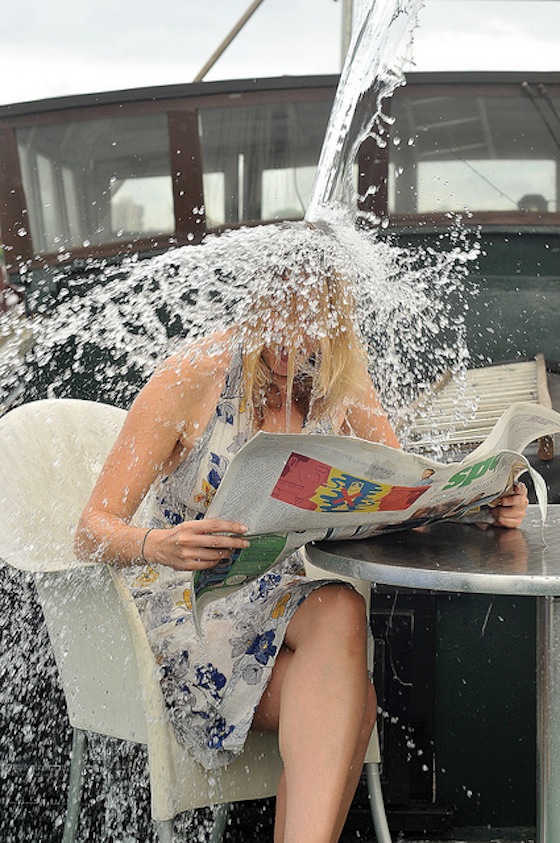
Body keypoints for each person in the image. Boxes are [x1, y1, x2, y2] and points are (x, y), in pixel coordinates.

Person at [75, 224, 528, 843]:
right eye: (278, 321)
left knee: (340, 612)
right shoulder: (193, 376)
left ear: (332, 323)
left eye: (309, 325)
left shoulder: (340, 382)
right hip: (187, 612)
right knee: (353, 704)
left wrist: (482, 504)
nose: (292, 342)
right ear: (256, 304)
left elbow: (406, 498)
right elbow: (90, 532)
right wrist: (161, 545)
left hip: (274, 604)